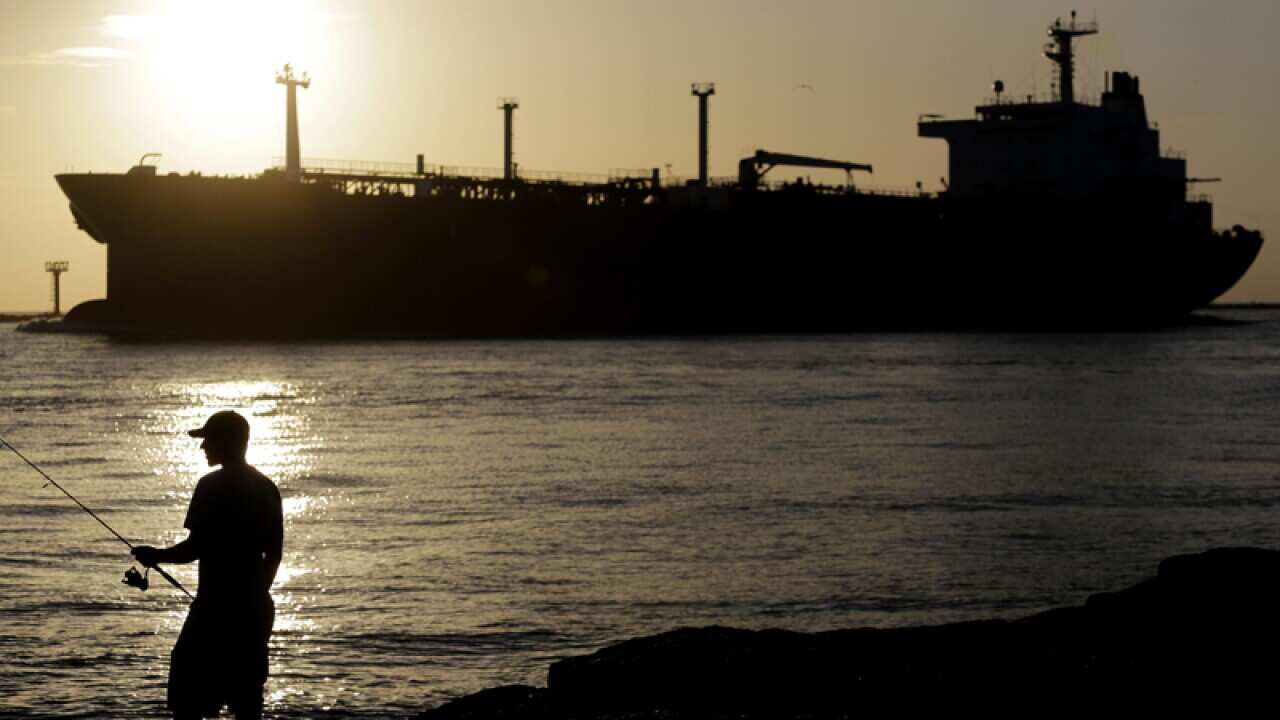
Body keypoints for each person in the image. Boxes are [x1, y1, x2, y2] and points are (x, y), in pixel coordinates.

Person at [133, 410, 283, 720]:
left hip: (213, 611)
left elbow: (195, 548)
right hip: (256, 610)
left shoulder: (211, 486)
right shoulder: (267, 487)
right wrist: (255, 594)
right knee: (247, 699)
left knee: (188, 700)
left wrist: (155, 555)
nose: (203, 448)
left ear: (226, 441)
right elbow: (275, 554)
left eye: (208, 440)